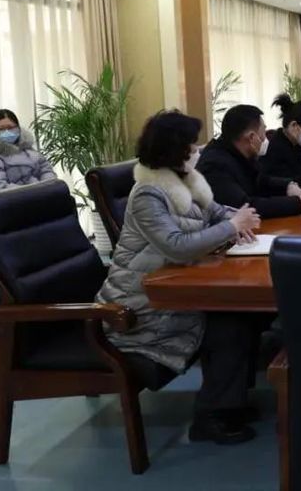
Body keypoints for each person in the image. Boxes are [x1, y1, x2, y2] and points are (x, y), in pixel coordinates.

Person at [96, 111, 264, 444]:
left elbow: (216, 212)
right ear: (176, 150)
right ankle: (211, 418)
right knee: (230, 325)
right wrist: (232, 226)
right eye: (192, 144)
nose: (197, 149)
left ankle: (230, 403)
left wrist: (239, 219)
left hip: (170, 288)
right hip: (140, 308)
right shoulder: (148, 194)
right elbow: (176, 246)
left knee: (243, 316)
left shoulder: (186, 181)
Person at [198, 104, 301, 218]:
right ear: (252, 137)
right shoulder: (215, 165)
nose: (265, 139)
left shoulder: (241, 155)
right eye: (263, 134)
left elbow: (261, 181)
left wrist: (287, 186)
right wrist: (299, 203)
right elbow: (244, 207)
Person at [0, 109, 56, 192]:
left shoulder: (27, 149)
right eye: (1, 129)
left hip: (41, 196)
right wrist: (34, 193)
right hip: (12, 200)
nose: (7, 132)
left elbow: (46, 170)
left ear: (18, 128)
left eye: (11, 128)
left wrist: (47, 189)